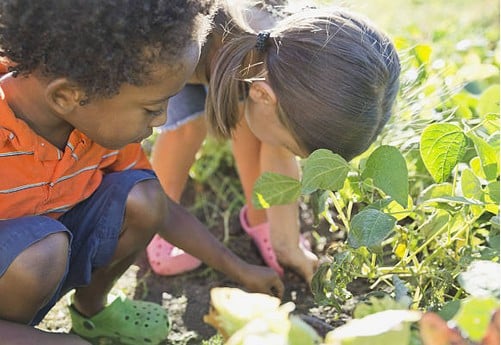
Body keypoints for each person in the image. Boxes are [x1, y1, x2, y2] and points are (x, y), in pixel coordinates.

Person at [0, 1, 284, 345]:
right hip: (31, 263)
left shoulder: (91, 120)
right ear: (67, 96)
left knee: (144, 197)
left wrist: (239, 268)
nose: (163, 120)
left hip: (45, 254)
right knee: (41, 252)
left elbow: (160, 209)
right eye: (151, 108)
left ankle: (92, 313)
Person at [147, 0, 401, 283]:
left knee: (250, 121)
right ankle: (158, 215)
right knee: (188, 128)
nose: (287, 152)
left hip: (231, 57)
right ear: (263, 94)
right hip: (173, 42)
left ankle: (260, 219)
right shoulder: (173, 48)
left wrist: (286, 244)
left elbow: (276, 153)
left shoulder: (296, 56)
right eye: (293, 147)